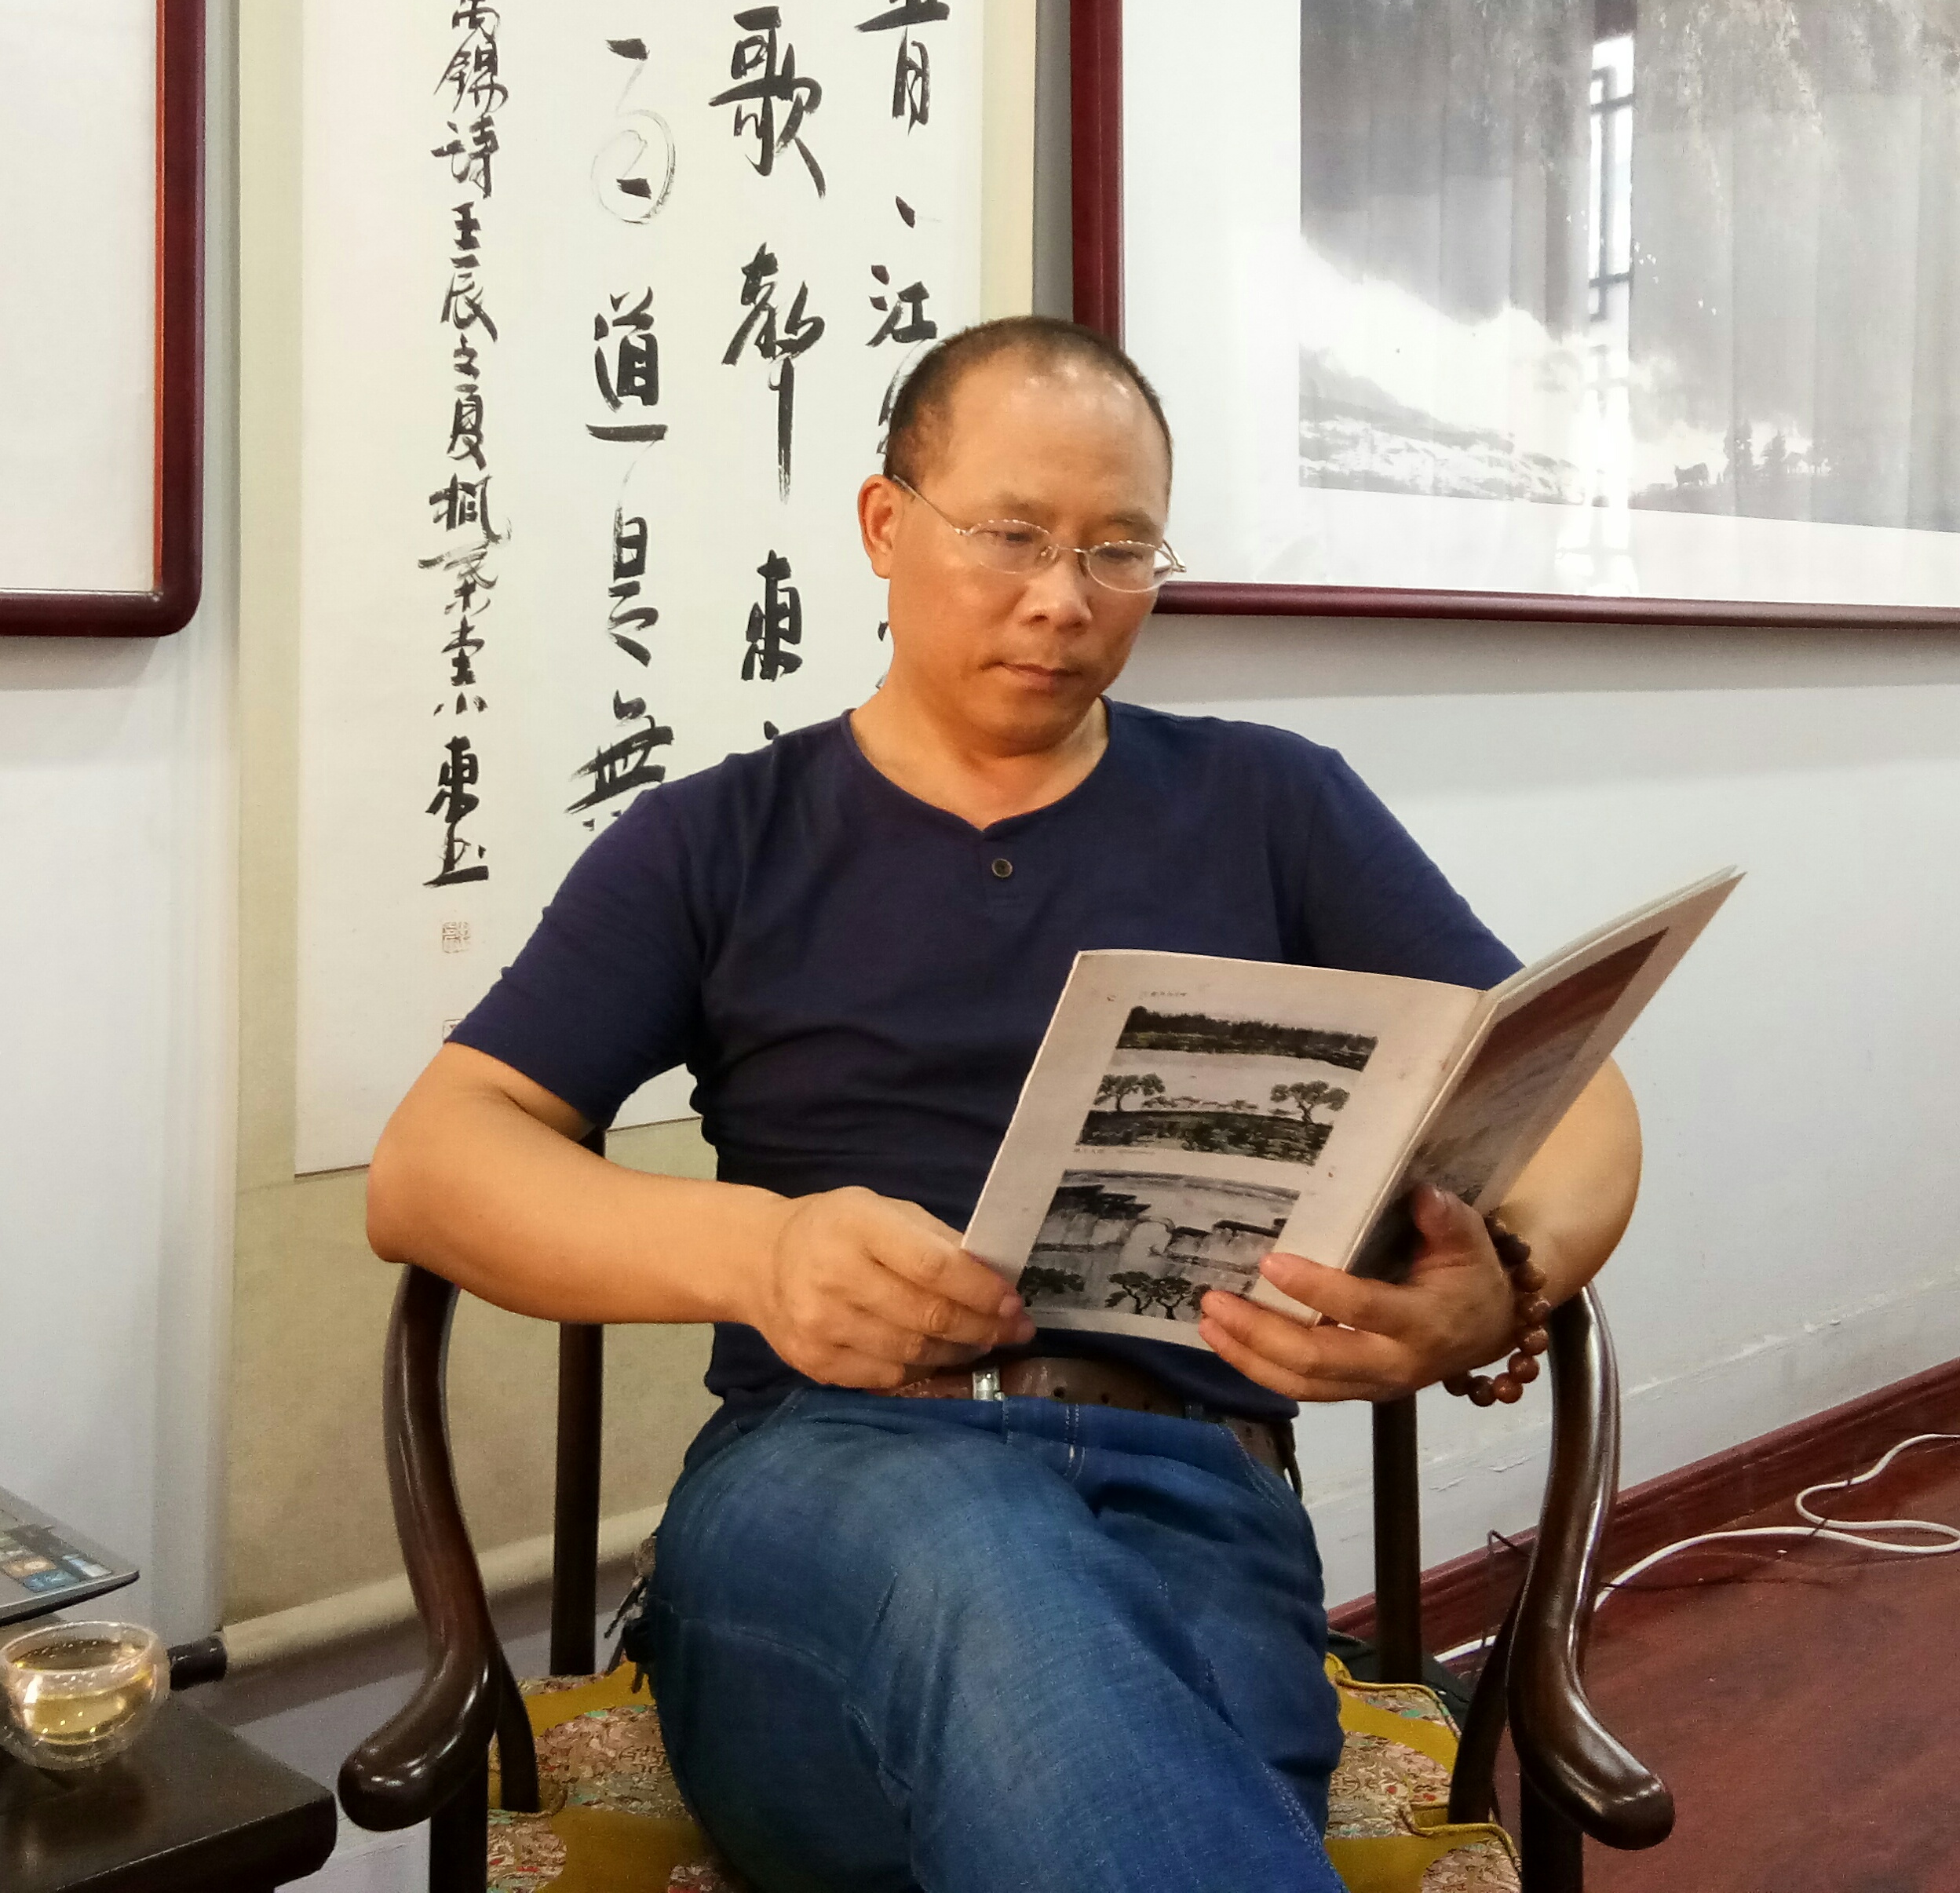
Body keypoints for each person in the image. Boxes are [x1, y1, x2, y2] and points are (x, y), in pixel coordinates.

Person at [367, 317, 1641, 1893]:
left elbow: (1570, 1094)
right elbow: (433, 1164)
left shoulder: (1270, 803)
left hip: (1194, 1500)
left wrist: (1501, 1283)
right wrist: (758, 1253)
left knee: (1086, 1762)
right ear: (883, 524)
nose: (1063, 599)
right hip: (825, 1487)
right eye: (1011, 535)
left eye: (1120, 550)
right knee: (985, 1561)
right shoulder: (718, 840)